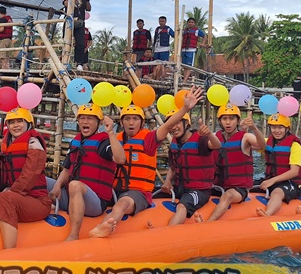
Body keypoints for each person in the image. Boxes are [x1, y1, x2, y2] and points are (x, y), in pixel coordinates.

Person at [89, 87, 205, 238]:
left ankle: (99, 231)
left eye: (135, 119)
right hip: (114, 191)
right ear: (121, 122)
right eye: (127, 119)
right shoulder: (115, 139)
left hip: (138, 193)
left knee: (122, 204)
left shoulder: (148, 140)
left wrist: (185, 108)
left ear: (142, 122)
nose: (131, 123)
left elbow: (167, 126)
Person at [47, 103, 124, 241]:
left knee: (75, 185)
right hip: (70, 197)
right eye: (82, 118)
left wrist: (111, 133)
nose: (85, 122)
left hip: (95, 202)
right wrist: (57, 186)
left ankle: (74, 235)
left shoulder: (104, 143)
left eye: (90, 118)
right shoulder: (75, 142)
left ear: (99, 122)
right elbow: (66, 170)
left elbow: (120, 159)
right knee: (41, 179)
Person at [0, 107, 52, 249]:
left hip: (37, 202)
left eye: (20, 121)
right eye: (12, 122)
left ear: (28, 124)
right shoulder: (7, 145)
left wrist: (0, 201)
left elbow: (28, 177)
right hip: (16, 197)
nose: (15, 125)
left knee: (4, 198)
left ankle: (9, 251)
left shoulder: (34, 144)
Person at [158, 105, 222, 226]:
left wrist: (209, 134)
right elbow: (173, 167)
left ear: (186, 123)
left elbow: (216, 145)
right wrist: (167, 181)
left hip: (199, 191)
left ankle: (167, 233)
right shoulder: (174, 144)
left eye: (177, 122)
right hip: (179, 188)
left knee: (182, 206)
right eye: (171, 124)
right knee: (154, 194)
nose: (173, 127)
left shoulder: (201, 140)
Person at [208, 103, 265, 222]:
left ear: (238, 120)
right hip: (216, 186)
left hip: (238, 189)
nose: (228, 122)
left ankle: (207, 224)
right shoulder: (214, 137)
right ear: (220, 121)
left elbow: (262, 145)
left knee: (228, 195)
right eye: (224, 119)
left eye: (232, 118)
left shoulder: (246, 137)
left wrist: (254, 128)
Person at [255, 114, 301, 217]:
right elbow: (248, 145)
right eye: (273, 127)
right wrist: (249, 129)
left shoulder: (295, 146)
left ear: (287, 128)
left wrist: (272, 181)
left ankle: (267, 215)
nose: (276, 131)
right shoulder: (268, 141)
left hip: (290, 183)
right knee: (248, 185)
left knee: (277, 193)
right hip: (270, 179)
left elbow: (294, 171)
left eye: (280, 127)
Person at [63, 0, 91, 70]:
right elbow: (67, 4)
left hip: (80, 22)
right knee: (66, 41)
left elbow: (89, 9)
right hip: (69, 21)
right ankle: (64, 61)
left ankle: (79, 63)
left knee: (81, 43)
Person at [180, 17, 205, 84]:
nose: (190, 24)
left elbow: (204, 36)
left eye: (192, 22)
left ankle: (184, 81)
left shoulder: (197, 30)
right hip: (184, 50)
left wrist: (203, 43)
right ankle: (185, 80)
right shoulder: (184, 30)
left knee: (189, 66)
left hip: (191, 50)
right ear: (187, 23)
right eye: (189, 22)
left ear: (194, 23)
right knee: (184, 66)